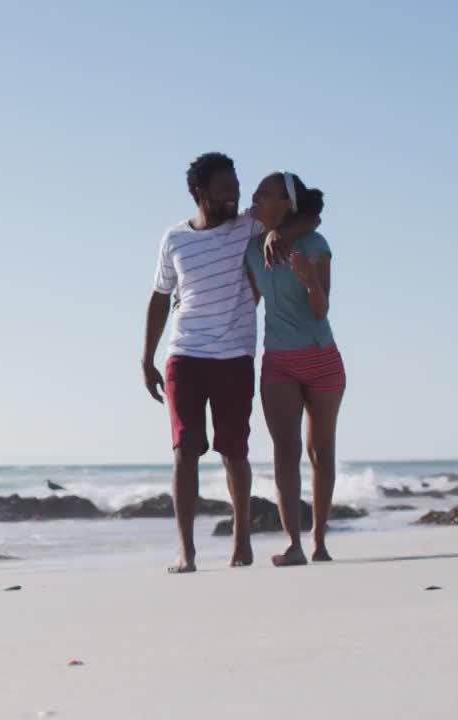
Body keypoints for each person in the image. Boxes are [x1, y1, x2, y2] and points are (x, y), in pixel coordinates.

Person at [141, 152, 318, 574]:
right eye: (224, 191)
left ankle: (242, 543)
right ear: (199, 192)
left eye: (235, 190)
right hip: (184, 354)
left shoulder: (248, 226)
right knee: (185, 448)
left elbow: (312, 213)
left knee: (234, 452)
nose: (233, 198)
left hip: (235, 355)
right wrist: (146, 357)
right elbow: (160, 297)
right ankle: (187, 551)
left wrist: (283, 234)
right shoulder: (174, 239)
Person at [244, 171, 343, 567]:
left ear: (285, 205)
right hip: (278, 361)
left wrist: (308, 282)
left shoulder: (316, 244)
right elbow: (249, 301)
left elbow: (321, 310)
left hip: (321, 357)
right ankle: (294, 545)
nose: (254, 196)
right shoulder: (252, 249)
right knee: (284, 453)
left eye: (263, 193)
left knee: (320, 451)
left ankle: (319, 541)